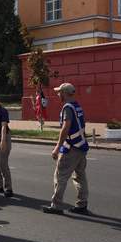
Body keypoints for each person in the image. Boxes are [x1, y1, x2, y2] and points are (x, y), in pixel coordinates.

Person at [42, 83, 90, 215]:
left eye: (59, 92)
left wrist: (57, 147)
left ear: (64, 93)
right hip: (81, 146)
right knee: (80, 176)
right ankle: (82, 204)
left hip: (71, 148)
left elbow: (66, 127)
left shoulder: (67, 108)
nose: (58, 94)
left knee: (60, 176)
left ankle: (56, 206)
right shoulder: (77, 106)